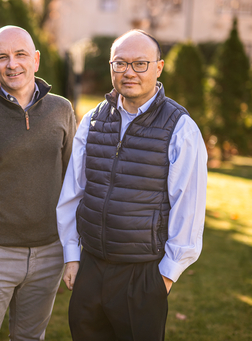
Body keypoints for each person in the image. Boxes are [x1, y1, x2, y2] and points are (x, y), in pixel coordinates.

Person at [57, 29, 207, 340]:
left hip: (142, 274)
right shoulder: (94, 120)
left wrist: (165, 276)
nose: (129, 72)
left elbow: (188, 205)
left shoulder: (180, 128)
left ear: (158, 67)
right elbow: (73, 192)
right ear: (111, 67)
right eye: (120, 63)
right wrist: (72, 255)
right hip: (91, 267)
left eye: (140, 64)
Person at [0, 25, 76, 341]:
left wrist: (71, 246)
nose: (12, 64)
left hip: (49, 252)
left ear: (35, 60)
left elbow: (72, 180)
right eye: (2, 57)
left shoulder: (62, 110)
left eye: (20, 55)